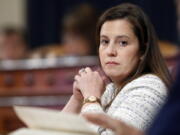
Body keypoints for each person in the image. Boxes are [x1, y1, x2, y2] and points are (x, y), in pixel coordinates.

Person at [62, 3, 172, 135]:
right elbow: (54, 132)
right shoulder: (110, 90)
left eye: (123, 43)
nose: (110, 51)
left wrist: (91, 98)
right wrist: (77, 99)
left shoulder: (151, 88)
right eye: (105, 41)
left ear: (142, 50)